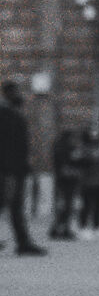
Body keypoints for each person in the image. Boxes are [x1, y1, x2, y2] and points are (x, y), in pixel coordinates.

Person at [0, 81, 41, 255]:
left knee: (14, 205)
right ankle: (23, 242)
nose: (19, 94)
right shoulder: (5, 115)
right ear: (7, 93)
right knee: (12, 204)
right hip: (9, 170)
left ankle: (23, 242)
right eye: (15, 91)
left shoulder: (14, 114)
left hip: (16, 169)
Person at [74, 127, 99, 238]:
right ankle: (83, 227)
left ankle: (97, 227)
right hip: (87, 182)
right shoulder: (83, 149)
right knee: (86, 206)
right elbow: (80, 163)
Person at [47, 124, 79, 242]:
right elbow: (70, 162)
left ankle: (58, 228)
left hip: (62, 178)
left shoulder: (59, 146)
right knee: (66, 205)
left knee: (64, 205)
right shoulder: (67, 147)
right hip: (67, 179)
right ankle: (62, 228)